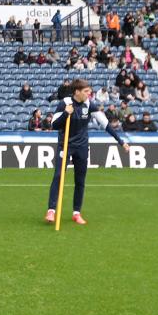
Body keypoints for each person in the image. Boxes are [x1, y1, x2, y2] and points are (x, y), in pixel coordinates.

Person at [44, 80, 130, 225]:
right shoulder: (65, 102)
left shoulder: (89, 104)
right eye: (86, 91)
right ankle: (51, 210)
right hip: (65, 145)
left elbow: (105, 124)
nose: (89, 94)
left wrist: (121, 141)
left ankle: (76, 212)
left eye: (89, 91)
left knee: (80, 180)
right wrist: (66, 113)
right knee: (59, 176)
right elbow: (54, 125)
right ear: (77, 91)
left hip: (82, 146)